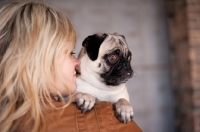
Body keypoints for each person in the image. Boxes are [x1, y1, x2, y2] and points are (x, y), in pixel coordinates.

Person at [0, 1, 142, 132]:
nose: (78, 61)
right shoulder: (107, 119)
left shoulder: (8, 120)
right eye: (70, 53)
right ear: (40, 61)